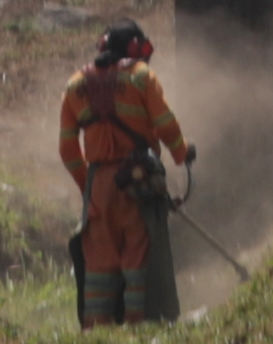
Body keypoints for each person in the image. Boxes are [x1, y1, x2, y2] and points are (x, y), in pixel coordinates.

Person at [54, 21, 193, 324]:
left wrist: (86, 189)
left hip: (99, 186)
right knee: (137, 256)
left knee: (99, 262)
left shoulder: (75, 84)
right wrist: (182, 154)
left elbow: (67, 149)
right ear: (135, 48)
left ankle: (97, 331)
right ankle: (137, 327)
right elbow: (166, 124)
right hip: (138, 182)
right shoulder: (142, 77)